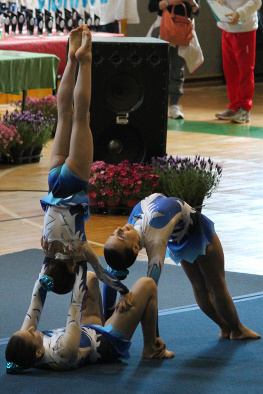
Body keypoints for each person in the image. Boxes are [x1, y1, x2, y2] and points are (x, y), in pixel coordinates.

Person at [38, 24, 131, 301]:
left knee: (81, 116)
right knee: (64, 116)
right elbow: (44, 280)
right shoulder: (46, 248)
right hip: (54, 181)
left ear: (70, 267)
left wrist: (122, 290)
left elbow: (101, 272)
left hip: (73, 181)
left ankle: (85, 59)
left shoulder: (78, 250)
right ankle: (70, 58)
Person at [103, 193, 261, 340]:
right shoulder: (155, 241)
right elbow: (151, 295)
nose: (118, 229)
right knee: (215, 285)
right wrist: (153, 339)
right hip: (196, 231)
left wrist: (105, 322)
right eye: (121, 237)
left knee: (201, 287)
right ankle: (237, 330)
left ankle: (226, 328)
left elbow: (111, 274)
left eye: (113, 234)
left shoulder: (129, 229)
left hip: (180, 235)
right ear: (135, 249)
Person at [5, 263, 174, 374]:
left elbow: (35, 303)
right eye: (32, 334)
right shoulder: (62, 353)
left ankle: (111, 316)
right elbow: (75, 307)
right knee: (148, 284)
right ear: (39, 352)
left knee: (90, 278)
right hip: (108, 341)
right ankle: (150, 347)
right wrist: (79, 262)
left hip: (87, 329)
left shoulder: (26, 348)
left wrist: (47, 262)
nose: (32, 329)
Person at [148, 0, 200, 119]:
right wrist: (169, 2)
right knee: (157, 67)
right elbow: (151, 6)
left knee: (178, 68)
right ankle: (155, 103)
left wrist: (192, 3)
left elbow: (197, 11)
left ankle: (174, 105)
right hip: (163, 28)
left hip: (182, 32)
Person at [215, 0, 262, 123]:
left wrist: (240, 13)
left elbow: (257, 2)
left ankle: (244, 108)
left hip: (244, 28)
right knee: (230, 70)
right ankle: (234, 106)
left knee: (245, 70)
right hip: (227, 27)